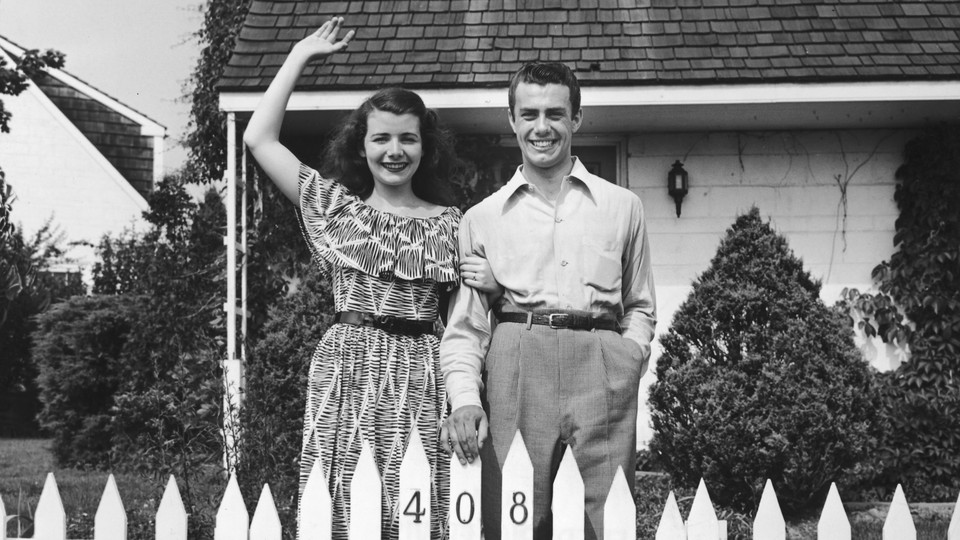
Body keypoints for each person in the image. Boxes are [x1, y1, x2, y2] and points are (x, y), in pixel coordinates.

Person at [243, 17, 499, 539]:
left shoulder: (454, 223)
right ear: (362, 146)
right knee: (339, 500)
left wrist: (492, 284)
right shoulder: (337, 209)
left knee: (420, 500)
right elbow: (258, 137)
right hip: (347, 362)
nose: (394, 151)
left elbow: (467, 324)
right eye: (381, 138)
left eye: (407, 138)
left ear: (424, 147)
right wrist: (300, 54)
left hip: (422, 371)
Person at [439, 62, 657, 540]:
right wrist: (462, 397)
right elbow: (467, 326)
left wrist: (629, 356)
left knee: (606, 519)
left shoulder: (623, 206)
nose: (543, 127)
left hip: (600, 361)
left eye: (556, 114)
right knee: (514, 515)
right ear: (512, 120)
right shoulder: (483, 217)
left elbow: (640, 304)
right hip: (517, 357)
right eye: (530, 114)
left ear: (576, 119)